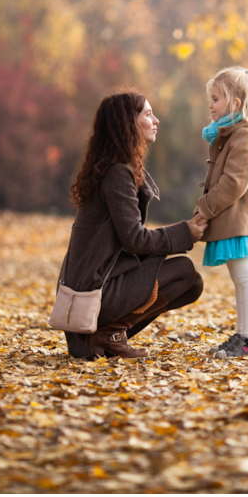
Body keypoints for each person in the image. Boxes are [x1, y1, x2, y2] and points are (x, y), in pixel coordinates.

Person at [60, 90, 208, 360]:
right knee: (184, 270)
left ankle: (110, 334)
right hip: (95, 294)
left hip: (95, 289)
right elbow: (134, 239)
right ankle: (107, 333)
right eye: (148, 114)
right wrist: (185, 232)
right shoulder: (117, 173)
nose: (156, 120)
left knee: (192, 283)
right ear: (128, 123)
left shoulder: (113, 168)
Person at [195, 67, 248, 359]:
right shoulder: (230, 134)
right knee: (240, 277)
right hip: (232, 220)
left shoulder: (245, 136)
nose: (211, 104)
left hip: (239, 221)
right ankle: (244, 334)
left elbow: (233, 184)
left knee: (245, 277)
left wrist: (205, 207)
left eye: (216, 98)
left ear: (236, 104)